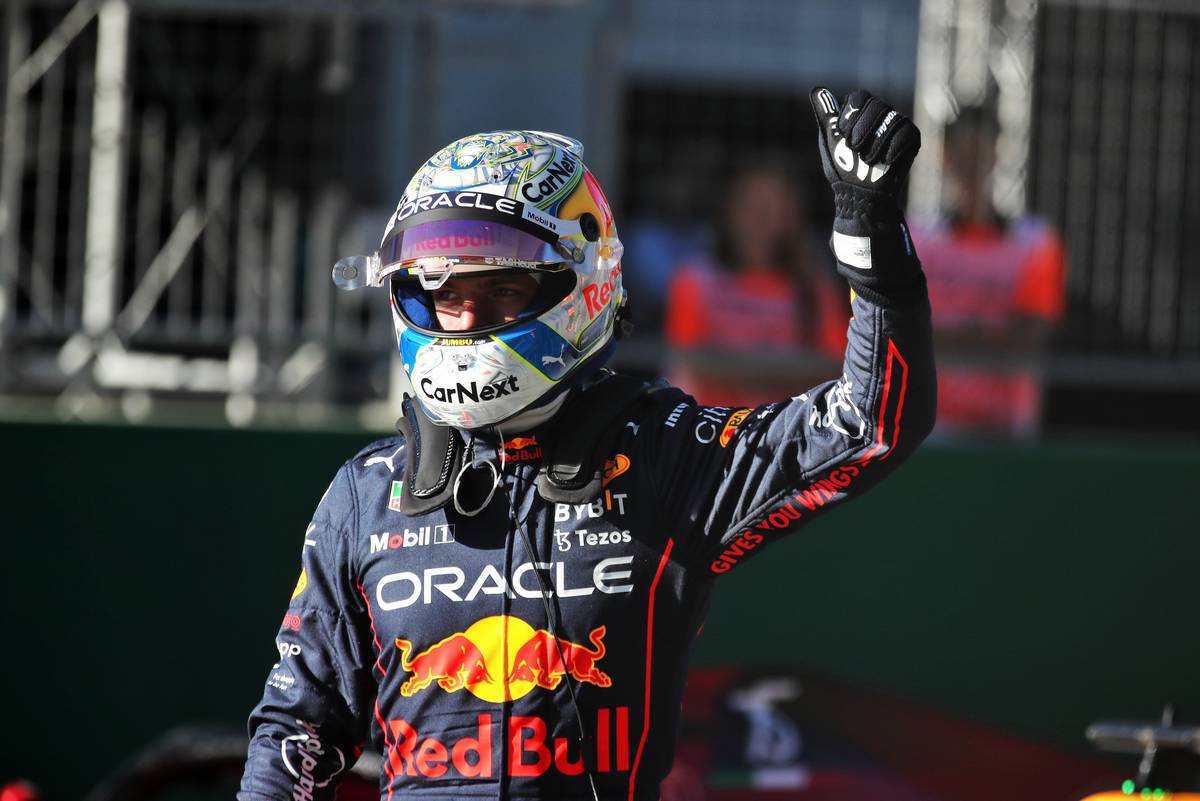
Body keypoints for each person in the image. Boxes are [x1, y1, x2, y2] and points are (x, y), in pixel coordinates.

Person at [238, 88, 936, 801]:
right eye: (444, 293)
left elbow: (868, 423)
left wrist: (870, 237)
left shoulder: (663, 455)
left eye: (500, 289)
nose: (465, 319)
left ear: (583, 286)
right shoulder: (366, 494)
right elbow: (299, 730)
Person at [908, 107, 1066, 438]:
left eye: (981, 152)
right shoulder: (915, 239)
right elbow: (902, 335)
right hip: (931, 426)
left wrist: (948, 337)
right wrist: (989, 336)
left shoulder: (1035, 242)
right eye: (963, 153)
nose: (973, 166)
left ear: (997, 156)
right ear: (946, 158)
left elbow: (1030, 337)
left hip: (1006, 425)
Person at [664, 166, 848, 406]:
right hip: (710, 421)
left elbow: (836, 367)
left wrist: (734, 365)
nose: (761, 219)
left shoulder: (815, 290)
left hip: (786, 424)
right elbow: (687, 361)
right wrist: (784, 369)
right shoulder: (696, 280)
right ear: (730, 212)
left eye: (774, 208)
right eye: (752, 206)